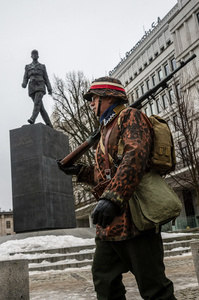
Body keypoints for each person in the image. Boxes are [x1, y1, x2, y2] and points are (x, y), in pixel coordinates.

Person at [58, 77, 177, 300]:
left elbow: (136, 156)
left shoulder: (130, 116)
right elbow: (106, 173)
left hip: (136, 218)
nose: (91, 103)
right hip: (110, 224)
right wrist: (79, 171)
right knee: (104, 282)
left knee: (155, 289)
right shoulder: (106, 128)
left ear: (109, 96)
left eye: (93, 98)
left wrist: (112, 198)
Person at [22, 49, 53, 128]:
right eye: (33, 54)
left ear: (38, 56)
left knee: (37, 102)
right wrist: (24, 83)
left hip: (40, 85)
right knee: (40, 107)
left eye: (36, 54)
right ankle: (49, 124)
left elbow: (46, 78)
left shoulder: (42, 66)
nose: (35, 55)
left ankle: (33, 118)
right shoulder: (27, 67)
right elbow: (25, 77)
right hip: (32, 87)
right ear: (31, 56)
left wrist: (49, 88)